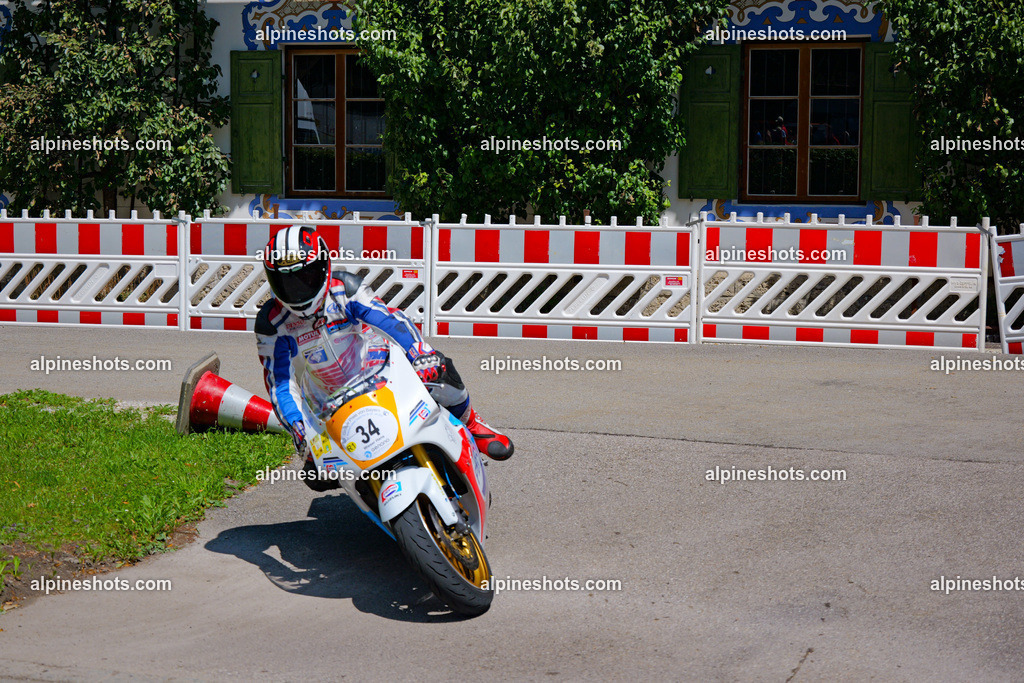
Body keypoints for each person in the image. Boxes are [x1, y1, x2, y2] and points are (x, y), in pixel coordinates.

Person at [255, 225, 513, 492]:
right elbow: (279, 384)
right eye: (286, 282)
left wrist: (419, 353)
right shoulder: (272, 323)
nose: (297, 289)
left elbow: (389, 320)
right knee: (316, 477)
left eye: (305, 277)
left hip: (378, 374)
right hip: (327, 404)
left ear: (323, 267)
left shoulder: (344, 288)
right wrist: (297, 426)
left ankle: (472, 423)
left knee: (441, 369)